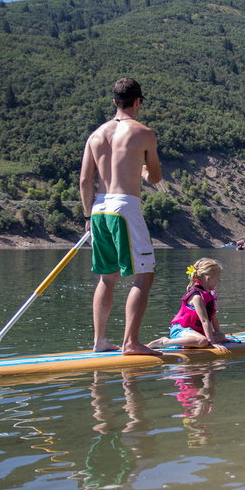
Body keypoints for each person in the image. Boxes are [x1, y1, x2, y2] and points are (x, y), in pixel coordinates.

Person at [80, 77, 162, 356]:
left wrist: (88, 216)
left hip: (98, 210)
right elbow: (155, 176)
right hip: (125, 208)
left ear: (115, 102)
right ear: (138, 101)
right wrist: (143, 173)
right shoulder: (143, 133)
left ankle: (100, 341)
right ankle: (131, 343)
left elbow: (84, 181)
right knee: (144, 276)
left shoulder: (95, 135)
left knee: (107, 276)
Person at [148, 258, 230, 351]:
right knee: (203, 341)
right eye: (218, 278)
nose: (219, 281)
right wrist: (213, 342)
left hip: (195, 331)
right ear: (208, 279)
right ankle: (164, 342)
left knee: (221, 336)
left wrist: (219, 339)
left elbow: (214, 317)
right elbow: (204, 320)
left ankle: (192, 342)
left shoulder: (211, 295)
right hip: (181, 330)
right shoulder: (196, 297)